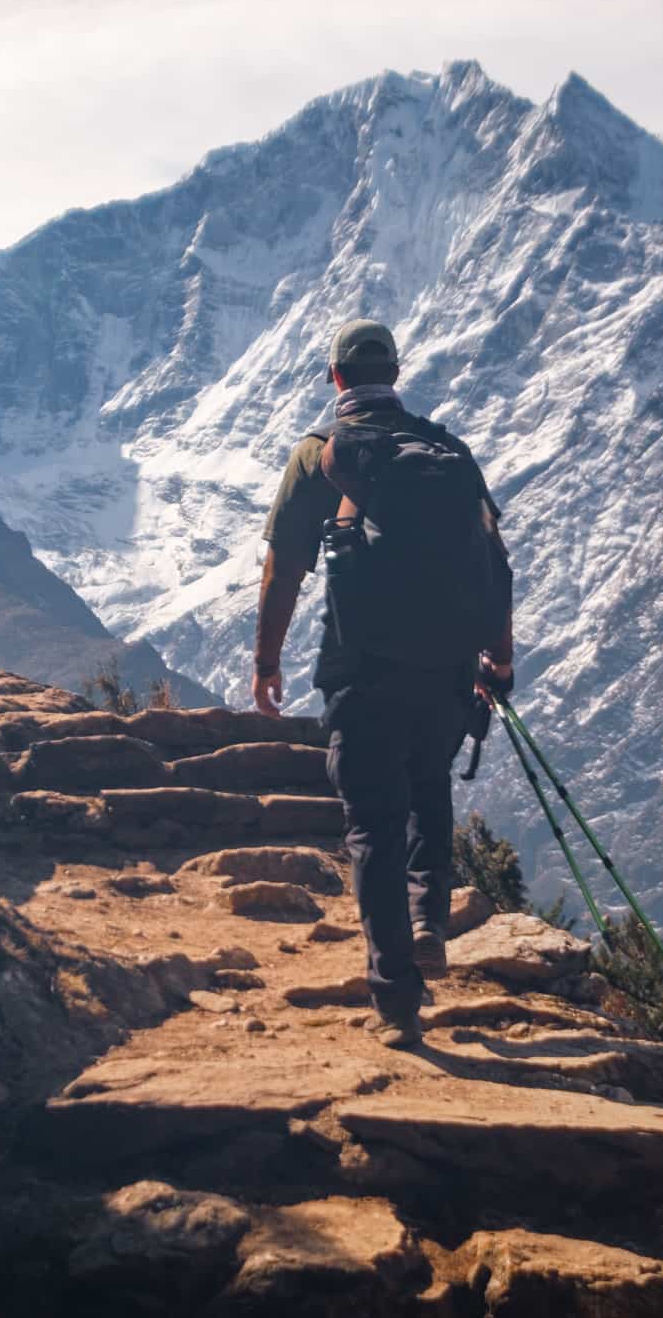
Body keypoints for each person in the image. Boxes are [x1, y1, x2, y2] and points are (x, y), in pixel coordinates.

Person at [253, 318, 514, 1049]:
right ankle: (431, 919)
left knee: (372, 821)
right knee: (429, 790)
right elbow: (495, 561)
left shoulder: (320, 456)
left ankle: (398, 998)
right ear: (394, 375)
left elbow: (284, 571)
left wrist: (266, 662)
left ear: (335, 378)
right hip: (448, 670)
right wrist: (498, 660)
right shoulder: (447, 452)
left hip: (362, 672)